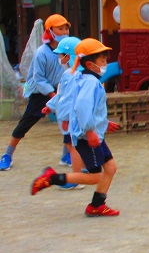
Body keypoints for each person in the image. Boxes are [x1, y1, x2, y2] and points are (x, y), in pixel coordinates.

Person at [30, 38, 121, 217]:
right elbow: (81, 106)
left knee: (111, 168)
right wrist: (90, 130)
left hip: (93, 134)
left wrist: (103, 123)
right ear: (89, 64)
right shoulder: (90, 82)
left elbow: (69, 98)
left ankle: (97, 205)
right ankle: (52, 178)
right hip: (88, 137)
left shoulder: (80, 77)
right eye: (102, 60)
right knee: (95, 176)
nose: (105, 64)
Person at [0, 14, 70, 171]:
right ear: (50, 31)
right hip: (40, 92)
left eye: (66, 28)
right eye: (60, 29)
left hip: (59, 90)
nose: (65, 32)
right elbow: (38, 78)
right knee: (25, 123)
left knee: (69, 121)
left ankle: (66, 155)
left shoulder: (67, 51)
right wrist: (52, 94)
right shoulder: (41, 53)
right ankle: (7, 155)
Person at [42, 36, 86, 190]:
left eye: (60, 55)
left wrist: (65, 118)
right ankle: (84, 170)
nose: (59, 58)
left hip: (71, 119)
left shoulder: (70, 75)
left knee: (72, 146)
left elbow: (66, 99)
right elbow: (62, 96)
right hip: (77, 117)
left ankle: (76, 178)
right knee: (79, 144)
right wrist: (50, 106)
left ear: (68, 56)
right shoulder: (79, 74)